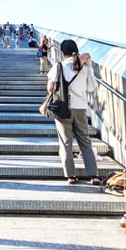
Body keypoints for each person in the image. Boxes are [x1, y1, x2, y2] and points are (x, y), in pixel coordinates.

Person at [46, 40, 100, 185]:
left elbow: (50, 88)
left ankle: (71, 176)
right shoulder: (85, 67)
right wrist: (88, 66)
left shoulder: (59, 66)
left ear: (62, 52)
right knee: (85, 141)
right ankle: (93, 175)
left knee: (66, 143)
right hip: (80, 108)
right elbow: (91, 88)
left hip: (63, 109)